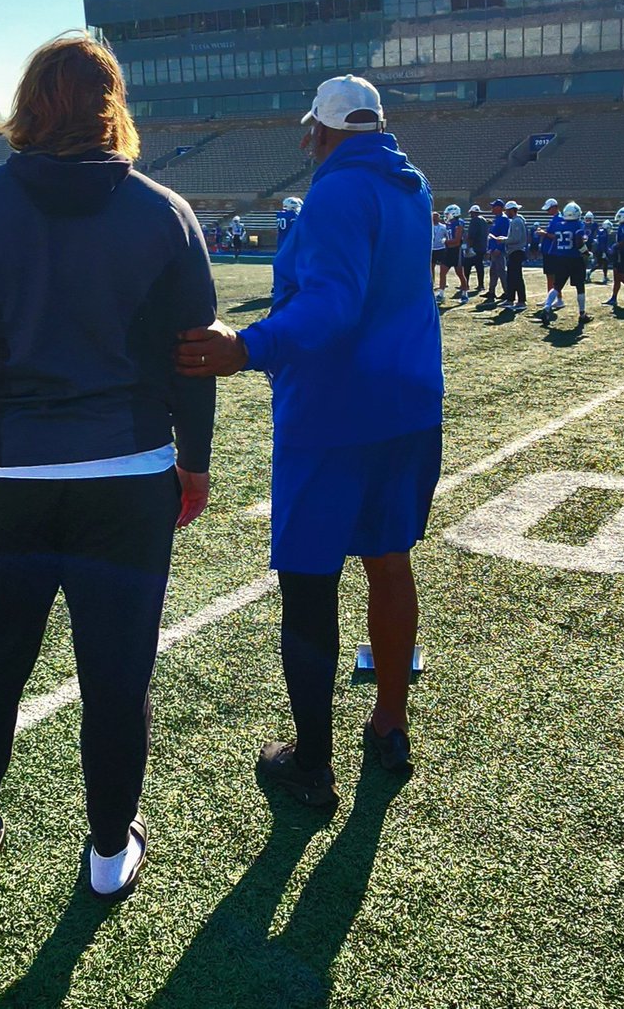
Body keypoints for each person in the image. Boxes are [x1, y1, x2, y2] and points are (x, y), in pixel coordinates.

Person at [0, 32, 216, 910]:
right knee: (118, 675)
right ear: (110, 106)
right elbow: (192, 357)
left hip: (7, 474)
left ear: (29, 102)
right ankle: (110, 850)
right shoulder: (164, 212)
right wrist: (192, 462)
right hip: (126, 481)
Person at [175, 73, 443, 806]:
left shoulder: (333, 191)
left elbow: (331, 306)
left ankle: (311, 765)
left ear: (324, 132)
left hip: (334, 415)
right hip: (410, 403)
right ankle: (390, 721)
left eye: (310, 132)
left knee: (309, 584)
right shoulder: (410, 185)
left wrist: (247, 347)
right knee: (390, 561)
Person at [437, 205, 469, 301]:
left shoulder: (459, 223)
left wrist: (445, 241)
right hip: (448, 251)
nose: (446, 216)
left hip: (456, 251)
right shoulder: (449, 223)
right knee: (442, 272)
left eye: (448, 214)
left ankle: (464, 293)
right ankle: (441, 293)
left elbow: (457, 240)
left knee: (460, 273)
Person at [502, 200, 529, 310]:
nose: (506, 213)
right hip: (515, 251)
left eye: (507, 211)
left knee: (516, 277)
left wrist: (504, 240)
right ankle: (510, 299)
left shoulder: (516, 221)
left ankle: (521, 300)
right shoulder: (516, 220)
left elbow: (515, 239)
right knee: (512, 277)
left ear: (512, 210)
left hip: (516, 251)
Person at [484, 199, 509, 304]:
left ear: (499, 208)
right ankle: (491, 291)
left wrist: (499, 249)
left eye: (494, 206)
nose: (492, 208)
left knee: (501, 271)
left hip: (499, 250)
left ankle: (507, 292)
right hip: (494, 249)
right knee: (493, 271)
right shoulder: (497, 219)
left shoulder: (503, 219)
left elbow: (504, 235)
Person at [464, 204, 488, 292]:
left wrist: (468, 247)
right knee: (479, 266)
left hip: (474, 247)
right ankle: (481, 285)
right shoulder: (484, 221)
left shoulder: (474, 221)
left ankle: (465, 284)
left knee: (467, 266)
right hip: (482, 247)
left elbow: (471, 235)